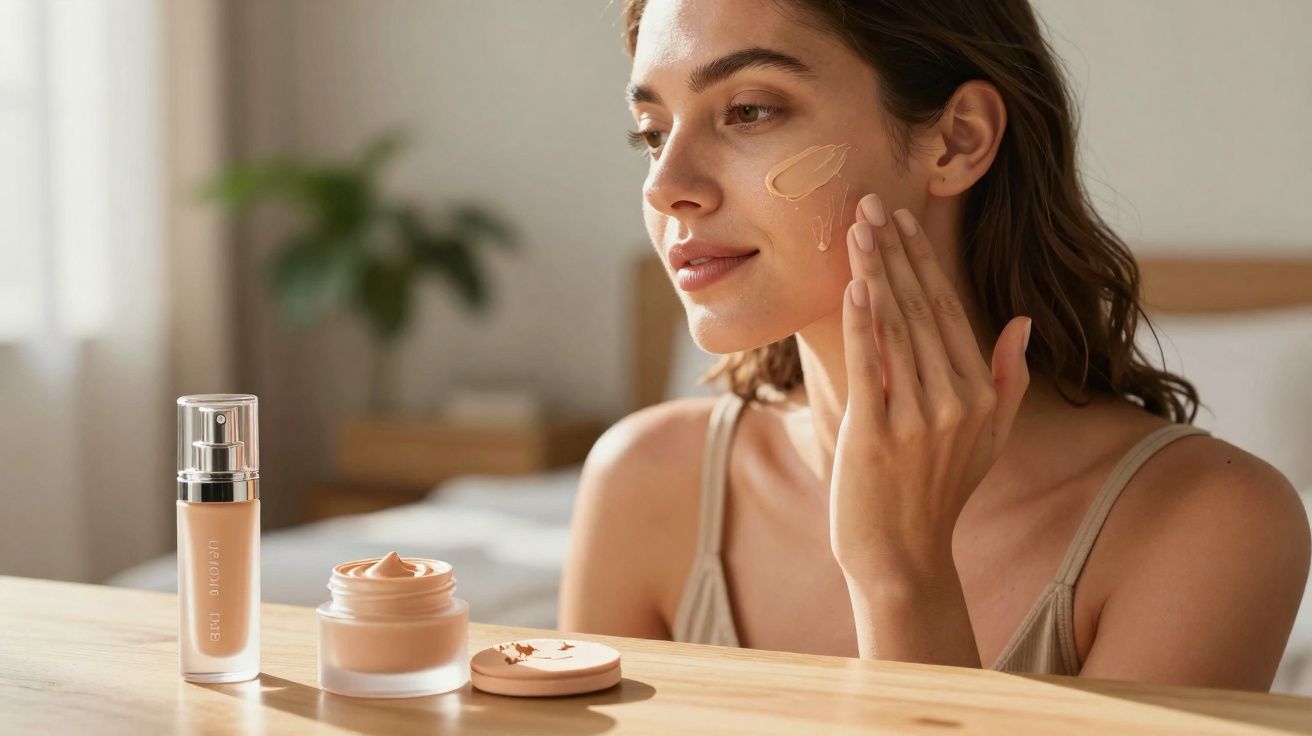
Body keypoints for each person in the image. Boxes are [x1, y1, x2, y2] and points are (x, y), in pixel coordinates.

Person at [558, 0, 1309, 691]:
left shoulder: (1209, 525)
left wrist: (900, 574)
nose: (665, 184)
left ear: (957, 140)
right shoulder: (644, 486)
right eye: (653, 133)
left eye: (749, 110)